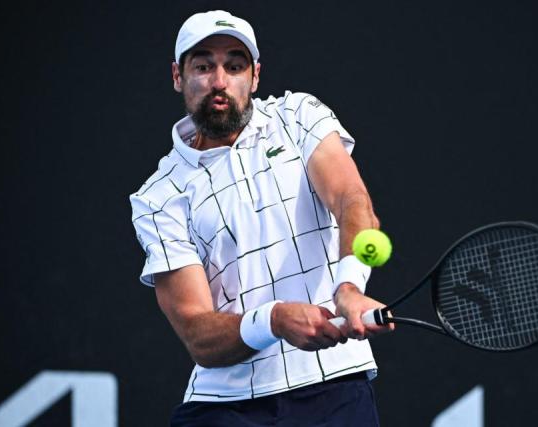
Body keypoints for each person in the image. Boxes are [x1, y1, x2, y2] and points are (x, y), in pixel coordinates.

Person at [129, 10, 392, 426]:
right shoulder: (159, 197)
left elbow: (351, 200)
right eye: (204, 66)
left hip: (334, 388)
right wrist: (273, 320)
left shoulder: (298, 116)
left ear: (254, 76)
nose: (219, 82)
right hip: (224, 405)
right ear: (178, 76)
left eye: (234, 66)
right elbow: (198, 333)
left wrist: (349, 287)